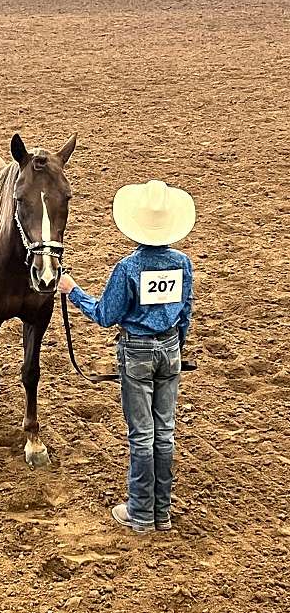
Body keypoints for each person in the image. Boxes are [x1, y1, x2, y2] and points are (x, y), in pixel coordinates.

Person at [58, 179, 195, 534]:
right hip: (170, 350)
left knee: (142, 435)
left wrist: (73, 291)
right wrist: (175, 345)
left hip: (136, 352)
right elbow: (186, 312)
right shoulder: (183, 263)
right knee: (165, 432)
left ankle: (139, 512)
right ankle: (161, 513)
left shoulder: (128, 268)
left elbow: (105, 315)